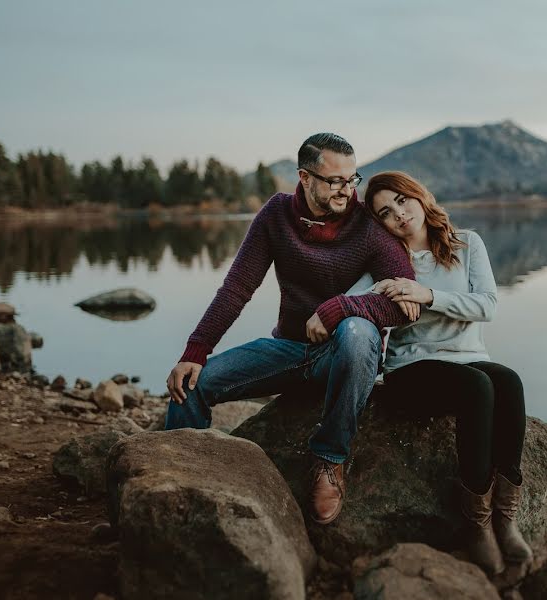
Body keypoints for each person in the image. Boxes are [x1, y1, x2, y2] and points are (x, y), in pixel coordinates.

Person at [164, 134, 418, 526]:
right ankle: (176, 485)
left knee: (357, 331)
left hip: (345, 355)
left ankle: (330, 459)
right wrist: (195, 351)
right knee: (190, 388)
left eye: (353, 179)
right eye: (335, 181)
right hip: (288, 349)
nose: (347, 190)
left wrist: (339, 308)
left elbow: (406, 304)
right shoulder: (276, 215)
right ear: (305, 177)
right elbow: (238, 287)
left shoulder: (368, 225)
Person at [361, 171, 531, 574]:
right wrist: (379, 295)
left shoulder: (467, 244)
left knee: (507, 381)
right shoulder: (387, 262)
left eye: (402, 201)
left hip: (466, 355)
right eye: (385, 213)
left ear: (418, 196)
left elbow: (487, 305)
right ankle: (476, 524)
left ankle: (504, 516)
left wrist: (429, 295)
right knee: (477, 388)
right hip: (411, 368)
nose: (399, 214)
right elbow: (357, 300)